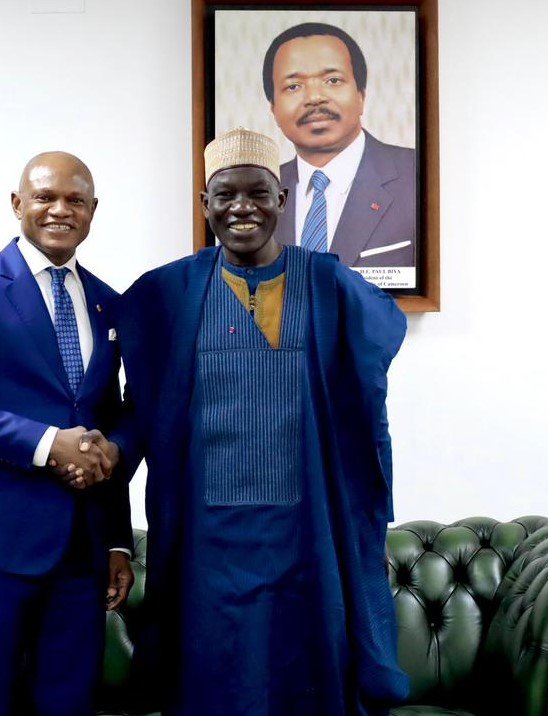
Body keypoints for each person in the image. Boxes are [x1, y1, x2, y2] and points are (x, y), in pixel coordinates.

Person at [114, 128, 409, 715]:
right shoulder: (168, 293)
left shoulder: (328, 285)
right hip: (204, 536)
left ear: (283, 200)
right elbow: (138, 408)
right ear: (206, 204)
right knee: (209, 675)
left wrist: (365, 515)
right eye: (225, 195)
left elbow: (369, 387)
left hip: (307, 530)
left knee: (308, 669)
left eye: (258, 193)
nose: (241, 207)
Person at [0, 151, 133, 715]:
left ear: (92, 211)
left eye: (75, 200)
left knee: (71, 703)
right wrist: (47, 444)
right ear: (18, 204)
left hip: (83, 548)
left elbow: (111, 416)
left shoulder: (109, 301)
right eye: (45, 197)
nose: (61, 210)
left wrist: (116, 540)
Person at [262, 22, 416, 268]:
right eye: (293, 86)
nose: (314, 98)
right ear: (274, 109)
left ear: (361, 95)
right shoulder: (259, 192)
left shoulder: (418, 175)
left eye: (332, 80)